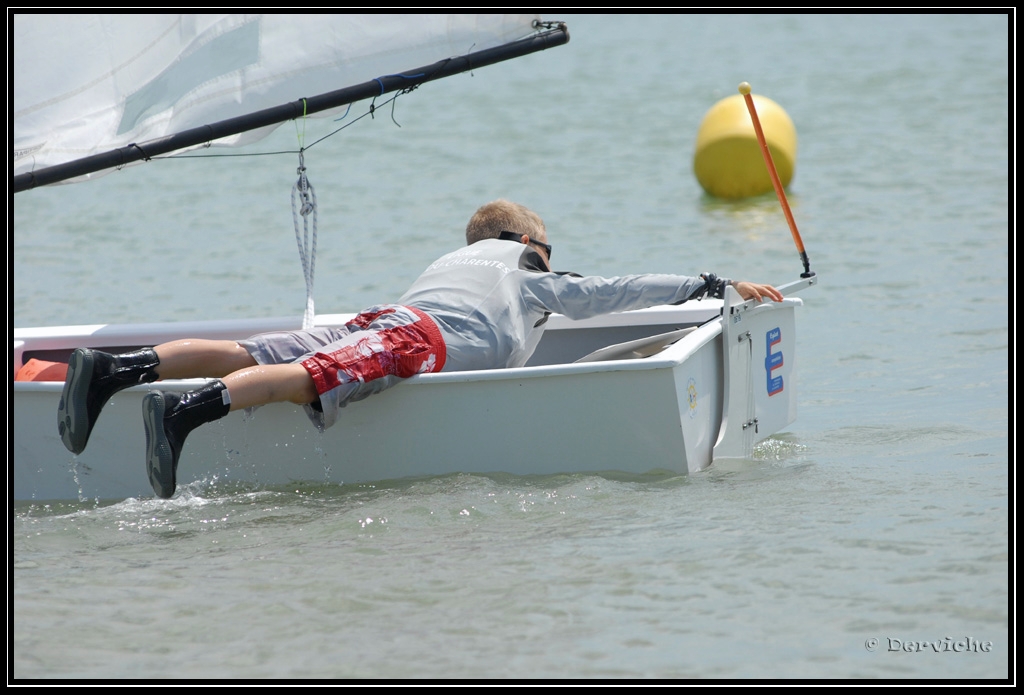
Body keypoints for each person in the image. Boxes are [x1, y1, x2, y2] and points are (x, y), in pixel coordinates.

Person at [57, 199, 783, 499]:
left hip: (391, 316)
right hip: (417, 338)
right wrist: (709, 283)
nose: (554, 261)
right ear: (527, 242)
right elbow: (608, 291)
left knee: (251, 350)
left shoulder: (454, 262)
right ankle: (184, 415)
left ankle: (119, 369)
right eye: (550, 249)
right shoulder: (525, 270)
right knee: (302, 377)